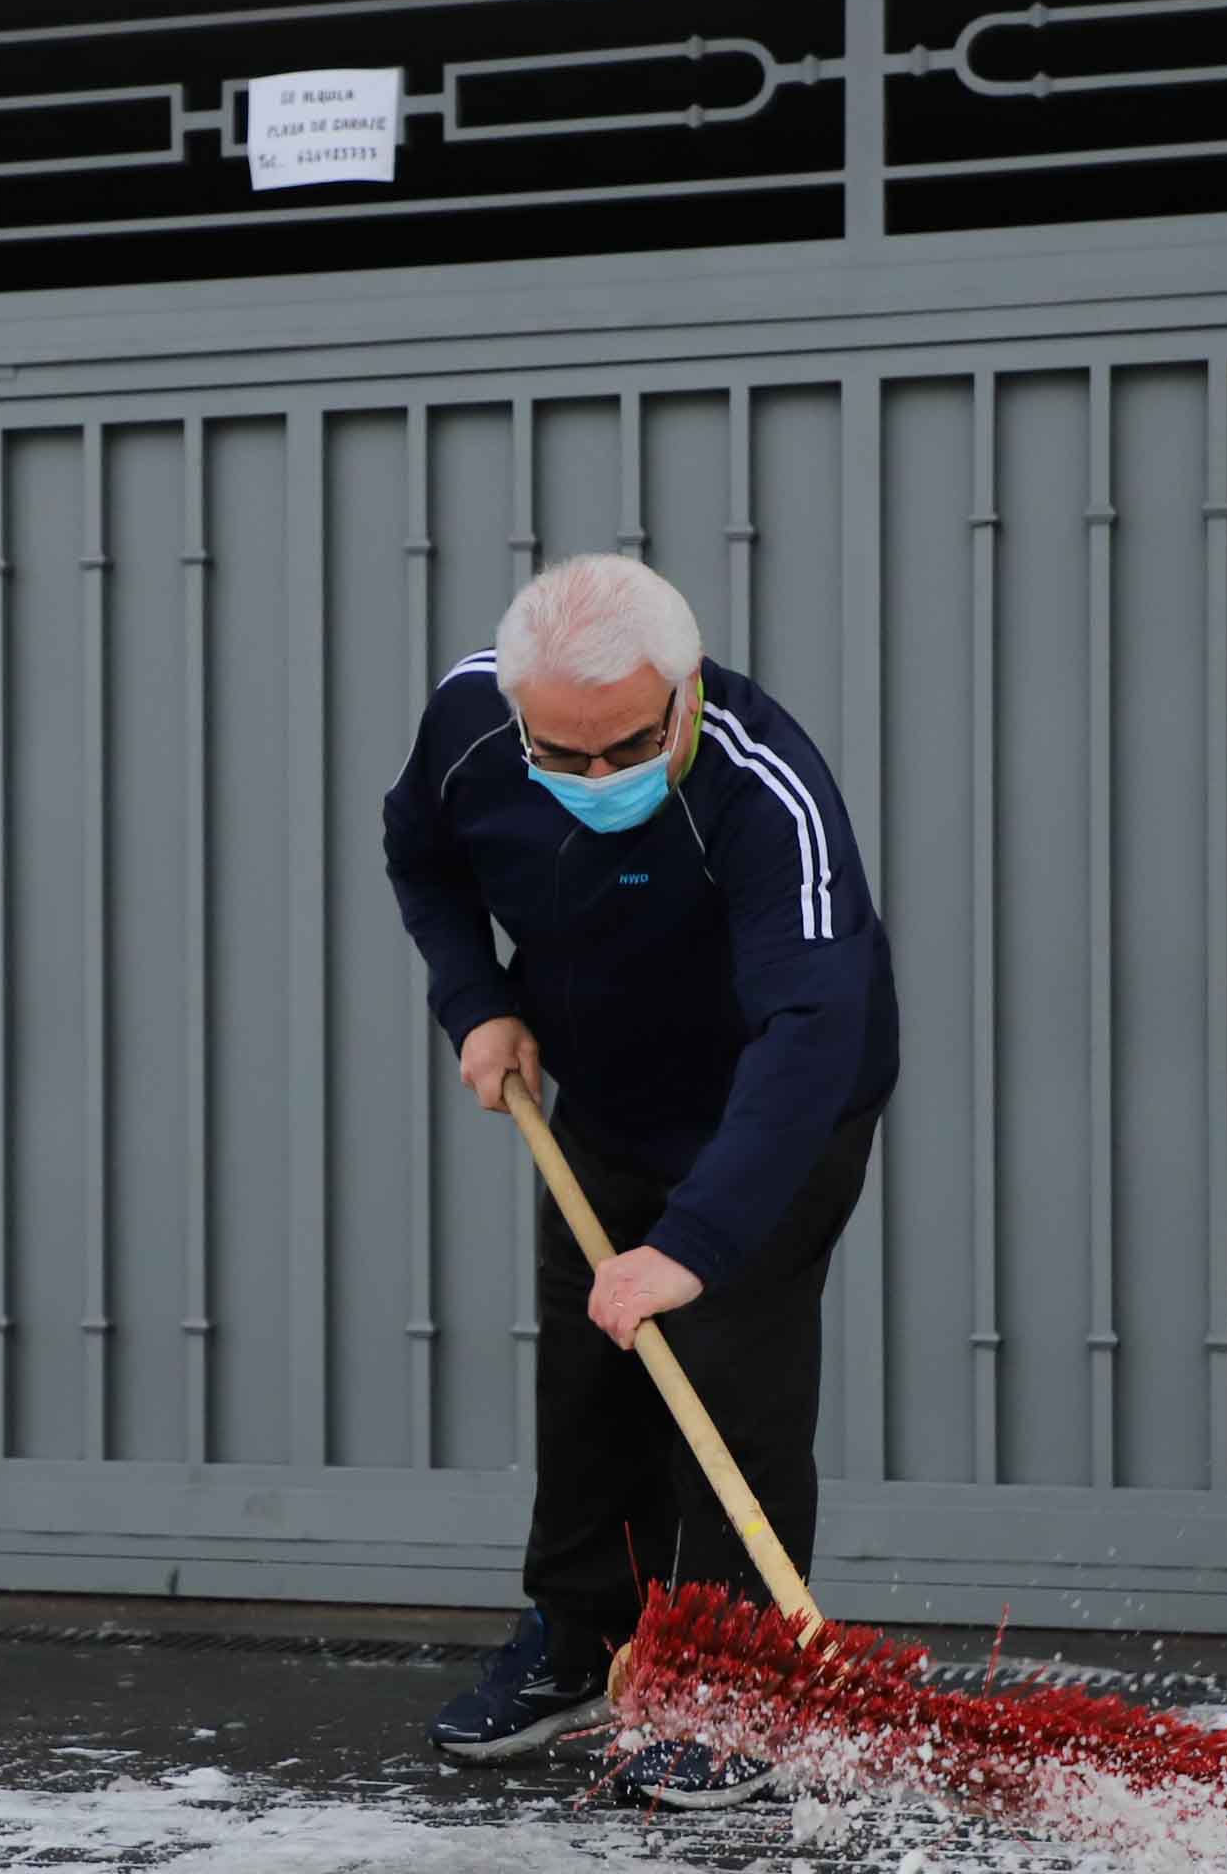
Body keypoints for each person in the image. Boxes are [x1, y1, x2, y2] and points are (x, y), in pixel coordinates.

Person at [379, 553, 899, 1807]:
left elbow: (812, 1031)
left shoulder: (766, 793)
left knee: (726, 1377)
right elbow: (425, 862)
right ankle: (581, 1643)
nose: (596, 778)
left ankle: (735, 1688)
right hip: (605, 1096)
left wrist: (699, 1240)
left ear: (687, 686)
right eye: (562, 754)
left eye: (625, 747)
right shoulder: (469, 723)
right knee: (589, 1368)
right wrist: (477, 1003)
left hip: (775, 1111)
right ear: (516, 715)